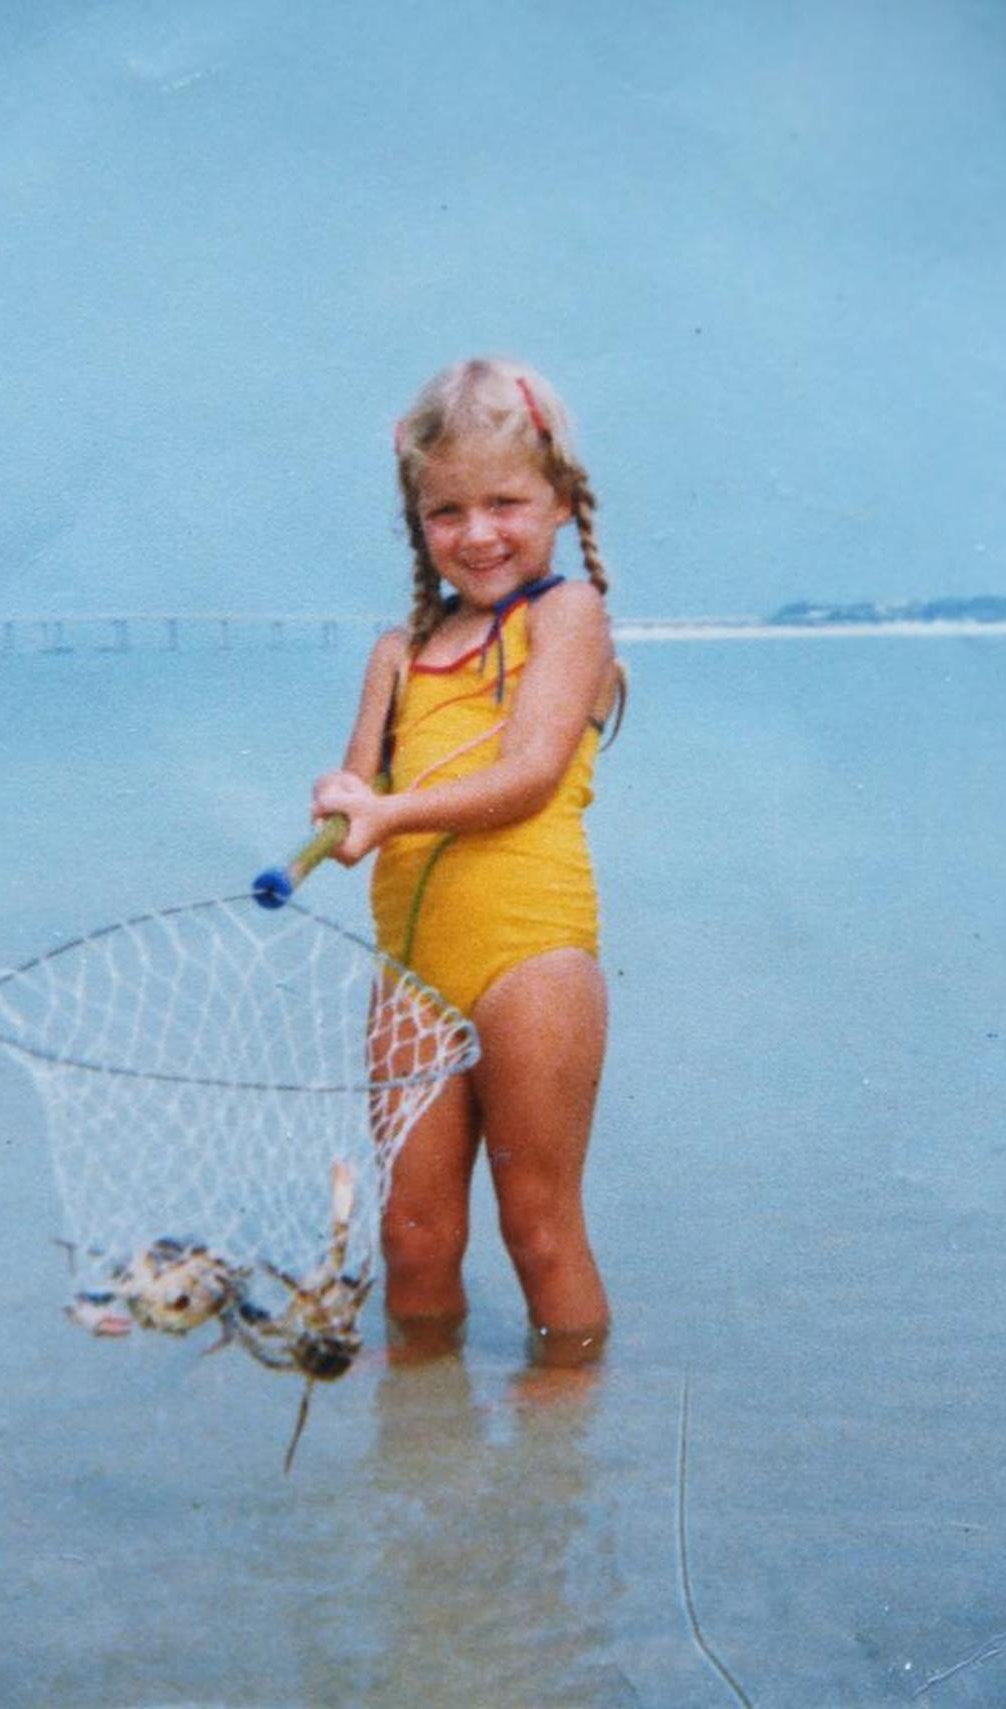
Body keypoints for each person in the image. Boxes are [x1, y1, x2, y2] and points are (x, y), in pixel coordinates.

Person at [311, 357, 622, 1366]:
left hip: (531, 960)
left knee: (537, 1225)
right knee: (414, 1237)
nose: (478, 532)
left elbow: (528, 775)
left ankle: (564, 1433)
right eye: (447, 510)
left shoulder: (566, 617)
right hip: (410, 974)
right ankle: (423, 1436)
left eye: (505, 501)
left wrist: (390, 807)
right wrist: (343, 805)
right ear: (419, 522)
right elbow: (366, 807)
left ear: (562, 502)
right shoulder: (395, 655)